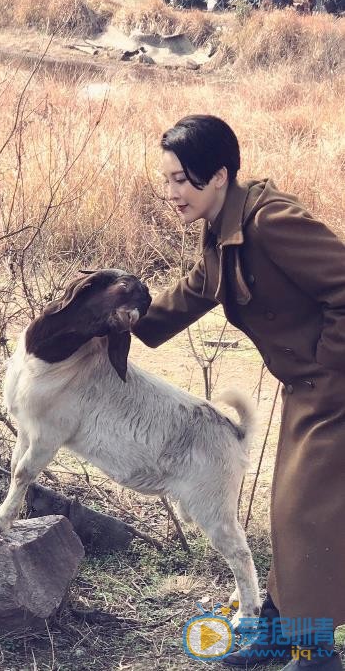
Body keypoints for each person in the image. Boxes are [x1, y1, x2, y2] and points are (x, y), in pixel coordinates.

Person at [132, 115, 345, 670]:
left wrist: (326, 361)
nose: (171, 192)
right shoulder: (222, 225)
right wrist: (125, 321)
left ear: (220, 175)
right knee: (290, 508)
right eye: (167, 179)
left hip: (336, 385)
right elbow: (201, 288)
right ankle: (279, 634)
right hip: (312, 387)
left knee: (307, 514)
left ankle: (314, 652)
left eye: (182, 179)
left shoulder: (271, 221)